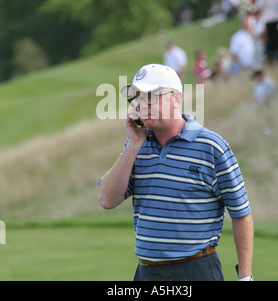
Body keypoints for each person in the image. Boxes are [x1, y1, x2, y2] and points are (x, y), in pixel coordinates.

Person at [98, 64, 254, 282]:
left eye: (151, 97)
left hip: (196, 270)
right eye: (137, 98)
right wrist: (133, 145)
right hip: (146, 272)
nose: (142, 105)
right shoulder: (135, 145)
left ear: (176, 98)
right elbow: (106, 199)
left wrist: (245, 277)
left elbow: (241, 213)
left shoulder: (212, 147)